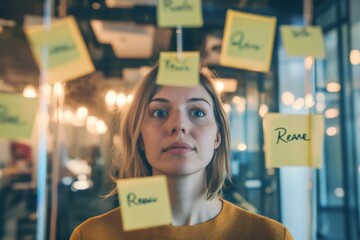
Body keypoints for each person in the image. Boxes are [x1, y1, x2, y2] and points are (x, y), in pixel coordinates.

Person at [70, 65, 294, 240]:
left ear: (218, 136)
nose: (178, 125)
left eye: (197, 112)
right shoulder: (92, 235)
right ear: (139, 137)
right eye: (159, 113)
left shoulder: (270, 236)